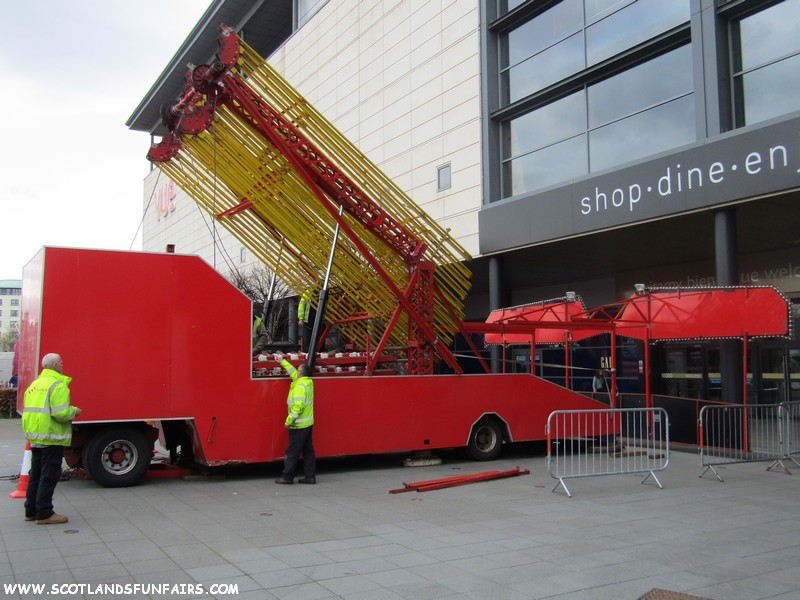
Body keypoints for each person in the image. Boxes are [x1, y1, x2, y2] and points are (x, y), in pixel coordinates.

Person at [21, 353, 82, 524]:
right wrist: (74, 411)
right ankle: (45, 513)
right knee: (49, 476)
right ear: (55, 365)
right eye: (61, 363)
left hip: (36, 436)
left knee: (36, 475)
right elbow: (60, 413)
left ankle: (30, 510)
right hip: (51, 437)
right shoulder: (58, 385)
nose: (63, 365)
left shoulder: (35, 384)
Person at [274, 353, 316, 485]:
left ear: (300, 375)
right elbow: (292, 372)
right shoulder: (307, 382)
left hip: (298, 426)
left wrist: (288, 421)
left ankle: (287, 477)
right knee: (308, 451)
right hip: (307, 424)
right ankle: (310, 476)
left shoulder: (299, 387)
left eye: (298, 370)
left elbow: (298, 407)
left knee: (292, 451)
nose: (296, 372)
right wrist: (282, 361)